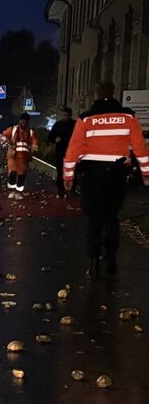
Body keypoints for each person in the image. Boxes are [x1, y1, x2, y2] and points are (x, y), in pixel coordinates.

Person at [62, 79, 149, 276]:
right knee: (111, 216)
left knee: (94, 218)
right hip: (117, 175)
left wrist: (68, 177)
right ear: (114, 92)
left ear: (96, 95)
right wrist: (146, 174)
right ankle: (110, 258)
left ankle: (93, 259)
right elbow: (140, 148)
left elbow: (73, 150)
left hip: (91, 175)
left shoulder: (86, 118)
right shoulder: (128, 117)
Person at [1, 113, 38, 192]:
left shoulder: (31, 132)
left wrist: (33, 148)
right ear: (19, 121)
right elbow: (3, 136)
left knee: (21, 175)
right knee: (12, 174)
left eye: (26, 121)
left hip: (24, 158)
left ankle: (19, 192)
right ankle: (12, 191)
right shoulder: (13, 129)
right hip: (13, 156)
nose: (24, 123)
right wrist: (8, 141)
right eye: (22, 121)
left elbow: (34, 142)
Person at [48, 107, 76, 195]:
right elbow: (50, 136)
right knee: (60, 171)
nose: (66, 117)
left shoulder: (74, 125)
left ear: (70, 115)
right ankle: (61, 189)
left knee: (72, 171)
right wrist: (55, 139)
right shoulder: (58, 125)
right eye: (65, 115)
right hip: (60, 152)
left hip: (71, 152)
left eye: (68, 115)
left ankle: (72, 189)